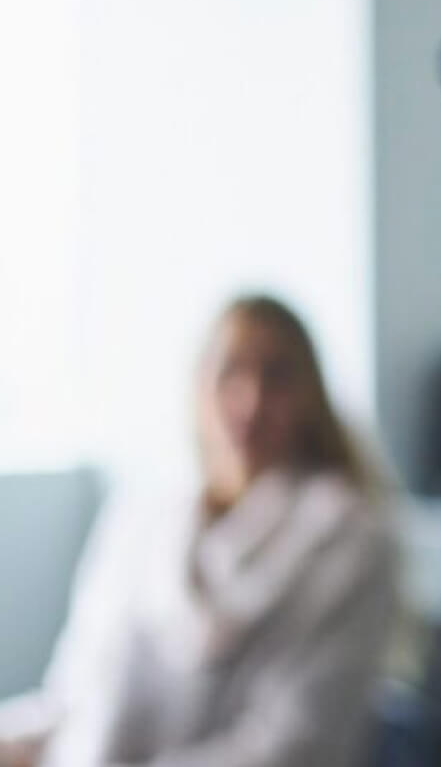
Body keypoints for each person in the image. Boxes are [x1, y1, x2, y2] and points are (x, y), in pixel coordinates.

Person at [0, 295, 404, 767]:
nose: (250, 402)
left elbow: (294, 748)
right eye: (231, 372)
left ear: (310, 396)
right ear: (199, 386)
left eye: (276, 377)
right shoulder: (142, 518)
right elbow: (72, 700)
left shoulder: (350, 542)